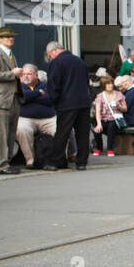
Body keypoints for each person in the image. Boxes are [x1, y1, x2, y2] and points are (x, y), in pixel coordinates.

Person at [44, 40, 91, 170]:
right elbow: (86, 81)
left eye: (50, 55)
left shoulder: (57, 62)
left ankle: (55, 161)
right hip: (84, 102)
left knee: (62, 133)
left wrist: (54, 101)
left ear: (54, 51)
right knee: (82, 134)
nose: (50, 58)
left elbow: (53, 84)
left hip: (67, 103)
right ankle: (81, 162)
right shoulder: (79, 61)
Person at [0, 25, 25, 174]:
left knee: (10, 133)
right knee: (0, 133)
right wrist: (12, 74)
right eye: (7, 37)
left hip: (12, 97)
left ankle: (6, 161)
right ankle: (0, 164)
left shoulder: (10, 55)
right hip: (1, 100)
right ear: (0, 39)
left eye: (12, 36)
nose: (10, 39)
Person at [16, 63, 57, 169]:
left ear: (36, 75)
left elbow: (49, 99)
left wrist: (29, 96)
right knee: (22, 129)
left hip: (48, 118)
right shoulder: (18, 86)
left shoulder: (46, 85)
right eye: (23, 74)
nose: (25, 76)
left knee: (60, 129)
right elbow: (22, 99)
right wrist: (38, 93)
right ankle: (30, 160)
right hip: (26, 118)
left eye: (29, 74)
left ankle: (58, 159)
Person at [91, 75, 126, 156]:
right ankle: (99, 148)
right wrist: (99, 123)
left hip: (116, 119)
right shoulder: (100, 96)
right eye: (108, 84)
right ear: (104, 85)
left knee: (111, 126)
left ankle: (110, 149)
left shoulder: (118, 94)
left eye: (111, 83)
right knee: (97, 128)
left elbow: (125, 108)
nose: (110, 85)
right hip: (104, 118)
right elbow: (98, 111)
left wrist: (119, 106)